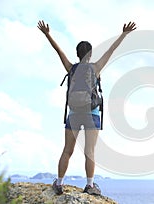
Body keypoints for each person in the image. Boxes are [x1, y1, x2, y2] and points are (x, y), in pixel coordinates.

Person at [37, 20, 136, 195]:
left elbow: (58, 51)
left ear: (77, 54)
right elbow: (111, 50)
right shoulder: (96, 67)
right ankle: (90, 185)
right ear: (90, 54)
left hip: (74, 113)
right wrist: (124, 34)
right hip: (92, 113)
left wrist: (47, 34)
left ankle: (59, 183)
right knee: (89, 151)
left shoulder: (71, 68)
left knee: (67, 150)